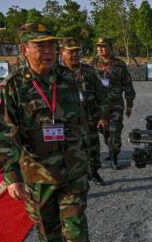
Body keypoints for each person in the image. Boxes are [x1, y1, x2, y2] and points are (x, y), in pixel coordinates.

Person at [0, 22, 113, 242]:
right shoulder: (13, 87)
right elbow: (2, 134)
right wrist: (11, 177)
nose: (48, 50)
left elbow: (82, 122)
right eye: (40, 45)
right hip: (37, 170)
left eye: (51, 44)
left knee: (75, 217)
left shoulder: (69, 78)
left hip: (73, 166)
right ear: (24, 49)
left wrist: (90, 159)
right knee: (44, 221)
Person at [59, 38, 108, 185]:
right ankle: (72, 177)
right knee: (68, 150)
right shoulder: (56, 73)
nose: (74, 54)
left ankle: (93, 172)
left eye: (76, 51)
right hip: (67, 121)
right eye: (70, 51)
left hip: (90, 118)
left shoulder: (88, 71)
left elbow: (102, 95)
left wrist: (103, 116)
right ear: (62, 53)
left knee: (93, 147)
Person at [90, 36, 135, 170]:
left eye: (103, 46)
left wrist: (129, 104)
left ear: (111, 48)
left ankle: (114, 156)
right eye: (98, 46)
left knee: (115, 131)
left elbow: (127, 84)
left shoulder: (119, 64)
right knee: (104, 131)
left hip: (115, 105)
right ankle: (111, 148)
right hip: (98, 106)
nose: (100, 49)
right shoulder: (93, 63)